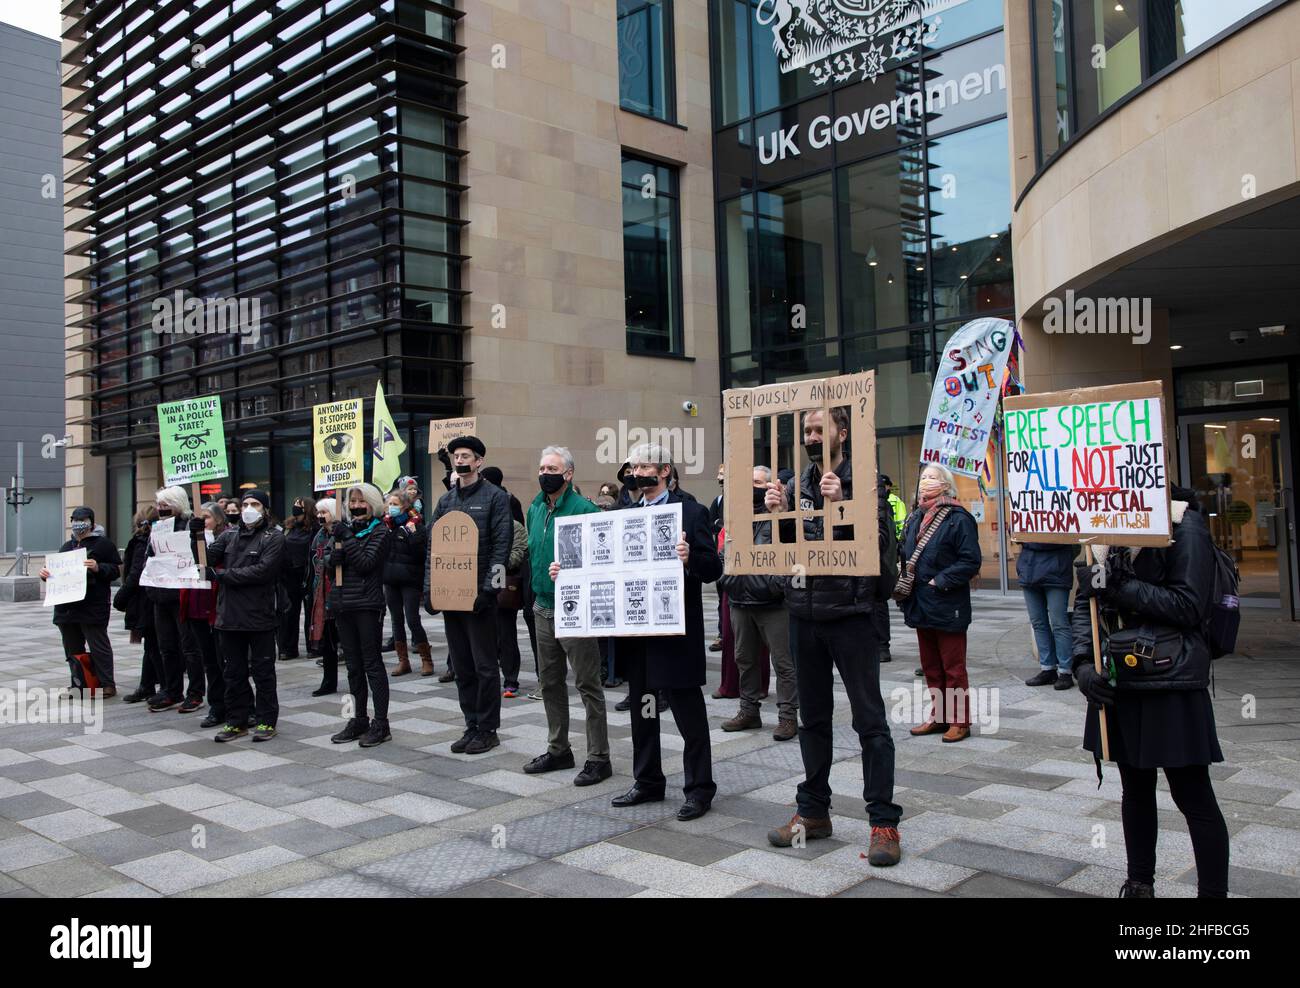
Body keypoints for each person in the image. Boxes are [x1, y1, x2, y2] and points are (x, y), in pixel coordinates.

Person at [1071, 485, 1229, 898]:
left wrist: (1117, 586)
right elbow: (1083, 605)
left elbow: (1189, 605)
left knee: (1192, 795)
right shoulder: (1103, 526)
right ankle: (1139, 884)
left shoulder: (1184, 523)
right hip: (1119, 680)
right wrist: (1083, 664)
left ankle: (1212, 895)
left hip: (1170, 681)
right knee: (1135, 790)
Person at [763, 408, 902, 867]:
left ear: (842, 433)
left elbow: (879, 548)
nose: (812, 436)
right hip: (804, 614)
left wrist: (843, 503)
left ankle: (883, 821)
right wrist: (777, 517)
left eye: (821, 429)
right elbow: (784, 552)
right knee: (812, 719)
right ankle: (813, 812)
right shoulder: (794, 486)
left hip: (852, 615)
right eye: (806, 430)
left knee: (870, 720)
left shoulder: (867, 483)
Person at [599, 442, 720, 822]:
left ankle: (699, 788)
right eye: (633, 467)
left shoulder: (691, 511)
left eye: (645, 466)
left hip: (676, 630)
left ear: (664, 470)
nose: (637, 472)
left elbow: (712, 569)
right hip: (638, 632)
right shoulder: (625, 514)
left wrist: (691, 558)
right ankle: (648, 780)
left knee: (687, 710)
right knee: (643, 708)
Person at [526, 445, 612, 786]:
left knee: (588, 683)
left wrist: (575, 570)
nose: (545, 473)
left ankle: (599, 757)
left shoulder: (584, 510)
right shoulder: (535, 507)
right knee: (549, 682)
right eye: (543, 466)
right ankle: (559, 748)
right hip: (542, 606)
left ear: (568, 474)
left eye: (553, 468)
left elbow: (603, 558)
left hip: (575, 608)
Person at [424, 436, 512, 754]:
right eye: (456, 455)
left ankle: (488, 729)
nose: (460, 460)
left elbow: (502, 547)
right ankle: (471, 723)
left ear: (478, 461)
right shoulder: (446, 501)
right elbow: (433, 548)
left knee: (485, 666)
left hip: (480, 599)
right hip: (451, 598)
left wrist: (490, 590)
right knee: (462, 666)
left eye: (466, 455)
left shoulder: (495, 498)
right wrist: (429, 589)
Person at [900, 464, 982, 744]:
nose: (926, 482)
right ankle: (940, 715)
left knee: (953, 667)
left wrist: (940, 581)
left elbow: (970, 560)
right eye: (923, 477)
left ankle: (960, 721)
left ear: (946, 485)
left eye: (932, 478)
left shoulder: (959, 518)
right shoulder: (914, 517)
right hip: (920, 602)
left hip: (947, 602)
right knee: (931, 666)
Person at [718, 466, 796, 740]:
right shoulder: (737, 515)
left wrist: (783, 509)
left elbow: (792, 543)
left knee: (783, 662)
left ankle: (788, 716)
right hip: (740, 598)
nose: (753, 487)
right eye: (750, 482)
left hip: (772, 601)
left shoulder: (780, 514)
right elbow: (724, 550)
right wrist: (727, 578)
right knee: (744, 659)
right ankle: (749, 710)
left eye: (759, 482)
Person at [201, 490, 284, 742]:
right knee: (233, 672)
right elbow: (205, 560)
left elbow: (262, 571)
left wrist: (223, 576)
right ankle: (236, 721)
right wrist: (195, 534)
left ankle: (266, 720)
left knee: (263, 671)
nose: (249, 508)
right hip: (228, 616)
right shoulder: (228, 535)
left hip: (259, 616)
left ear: (265, 509)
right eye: (246, 503)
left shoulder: (274, 537)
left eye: (255, 504)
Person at [130, 487, 206, 713]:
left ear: (178, 504)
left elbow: (201, 558)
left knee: (189, 647)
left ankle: (195, 692)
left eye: (166, 504)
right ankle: (171, 690)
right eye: (159, 504)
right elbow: (150, 557)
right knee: (166, 646)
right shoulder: (157, 528)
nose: (161, 508)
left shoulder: (190, 526)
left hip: (182, 595)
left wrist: (197, 535)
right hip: (160, 593)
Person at [329, 483, 394, 747]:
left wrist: (347, 541)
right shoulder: (343, 530)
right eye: (352, 501)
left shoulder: (380, 531)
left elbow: (366, 564)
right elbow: (327, 562)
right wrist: (332, 557)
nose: (356, 506)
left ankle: (381, 723)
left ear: (372, 503)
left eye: (361, 501)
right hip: (343, 604)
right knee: (353, 667)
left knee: (371, 664)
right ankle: (358, 718)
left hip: (367, 605)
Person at [41, 506, 121, 698]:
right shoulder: (66, 547)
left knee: (98, 645)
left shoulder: (103, 545)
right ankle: (79, 683)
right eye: (75, 520)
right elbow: (55, 574)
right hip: (66, 608)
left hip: (92, 606)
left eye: (83, 520)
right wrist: (45, 574)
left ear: (91, 523)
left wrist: (98, 567)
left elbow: (115, 572)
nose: (78, 524)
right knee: (72, 647)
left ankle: (107, 684)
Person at [480, 466, 529, 697]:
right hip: (481, 587)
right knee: (486, 637)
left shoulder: (516, 528)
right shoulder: (481, 526)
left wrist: (495, 560)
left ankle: (511, 679)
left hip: (503, 588)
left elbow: (518, 555)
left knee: (506, 636)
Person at [183, 503, 227, 727]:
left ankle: (233, 704)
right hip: (197, 606)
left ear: (218, 520)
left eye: (207, 517)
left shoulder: (225, 539)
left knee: (224, 661)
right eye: (198, 518)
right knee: (209, 660)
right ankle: (216, 706)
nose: (203, 521)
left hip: (217, 606)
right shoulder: (193, 539)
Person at [382, 488, 432, 677]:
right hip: (390, 579)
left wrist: (411, 535)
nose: (391, 508)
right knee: (396, 621)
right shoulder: (386, 525)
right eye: (389, 504)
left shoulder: (415, 524)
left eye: (395, 504)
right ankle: (403, 661)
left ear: (404, 506)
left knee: (412, 619)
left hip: (410, 579)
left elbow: (421, 552)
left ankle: (426, 659)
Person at [1020, 541, 1079, 689]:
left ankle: (1065, 671)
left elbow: (1075, 541)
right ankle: (1048, 669)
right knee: (1039, 623)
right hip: (1032, 569)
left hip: (1052, 570)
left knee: (1058, 623)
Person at [117, 506, 160, 704]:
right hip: (149, 598)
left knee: (154, 645)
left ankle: (155, 686)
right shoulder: (152, 540)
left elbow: (135, 572)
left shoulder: (143, 542)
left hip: (145, 600)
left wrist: (122, 596)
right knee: (152, 644)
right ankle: (148, 684)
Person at [305, 498, 341, 696]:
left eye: (324, 512)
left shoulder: (341, 532)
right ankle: (329, 681)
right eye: (318, 513)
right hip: (321, 592)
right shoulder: (318, 535)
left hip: (339, 591)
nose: (320, 516)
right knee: (327, 643)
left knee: (345, 640)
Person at [873, 474, 907, 663]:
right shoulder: (886, 502)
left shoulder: (885, 504)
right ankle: (879, 646)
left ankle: (882, 647)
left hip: (882, 561)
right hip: (884, 560)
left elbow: (887, 537)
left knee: (878, 604)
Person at [278, 495, 317, 660]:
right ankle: (288, 648)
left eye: (299, 505)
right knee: (289, 613)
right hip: (290, 575)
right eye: (294, 504)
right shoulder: (289, 527)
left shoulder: (314, 529)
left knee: (311, 612)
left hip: (307, 575)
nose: (295, 507)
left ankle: (312, 646)